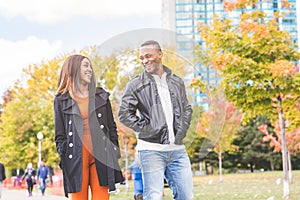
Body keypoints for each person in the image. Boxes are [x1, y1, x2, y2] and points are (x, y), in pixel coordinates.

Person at [118, 40, 194, 200]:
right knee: (153, 196)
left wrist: (182, 130)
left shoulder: (177, 82)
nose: (145, 60)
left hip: (178, 150)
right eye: (142, 58)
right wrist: (148, 129)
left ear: (160, 55)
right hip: (151, 150)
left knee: (186, 195)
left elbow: (186, 108)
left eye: (148, 56)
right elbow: (124, 113)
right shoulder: (135, 84)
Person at [54, 54, 124, 200]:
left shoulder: (101, 96)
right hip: (75, 157)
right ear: (73, 69)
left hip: (101, 155)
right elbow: (60, 135)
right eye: (85, 65)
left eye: (90, 66)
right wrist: (64, 155)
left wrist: (114, 152)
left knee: (102, 198)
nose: (90, 69)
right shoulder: (61, 100)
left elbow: (111, 128)